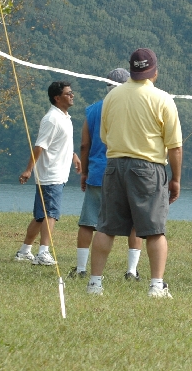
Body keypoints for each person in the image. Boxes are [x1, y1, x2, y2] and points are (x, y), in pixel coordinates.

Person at [87, 48, 183, 298]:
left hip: (114, 165)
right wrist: (176, 179)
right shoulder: (163, 99)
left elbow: (104, 136)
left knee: (105, 227)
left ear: (131, 70)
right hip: (148, 168)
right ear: (154, 72)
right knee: (155, 230)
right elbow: (174, 146)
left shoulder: (111, 97)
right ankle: (156, 286)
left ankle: (94, 284)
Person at [69, 68, 144, 281]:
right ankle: (131, 271)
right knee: (134, 223)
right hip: (127, 172)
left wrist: (84, 172)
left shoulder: (93, 110)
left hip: (98, 172)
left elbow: (85, 145)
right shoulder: (134, 108)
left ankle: (81, 269)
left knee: (89, 222)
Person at [15, 81, 81, 265]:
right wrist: (28, 169)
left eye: (72, 92)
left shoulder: (65, 117)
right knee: (51, 214)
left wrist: (73, 156)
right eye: (68, 93)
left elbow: (60, 143)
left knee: (40, 217)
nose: (72, 95)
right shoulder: (52, 119)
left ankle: (24, 251)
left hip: (57, 174)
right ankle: (43, 253)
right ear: (57, 98)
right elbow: (40, 146)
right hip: (51, 175)